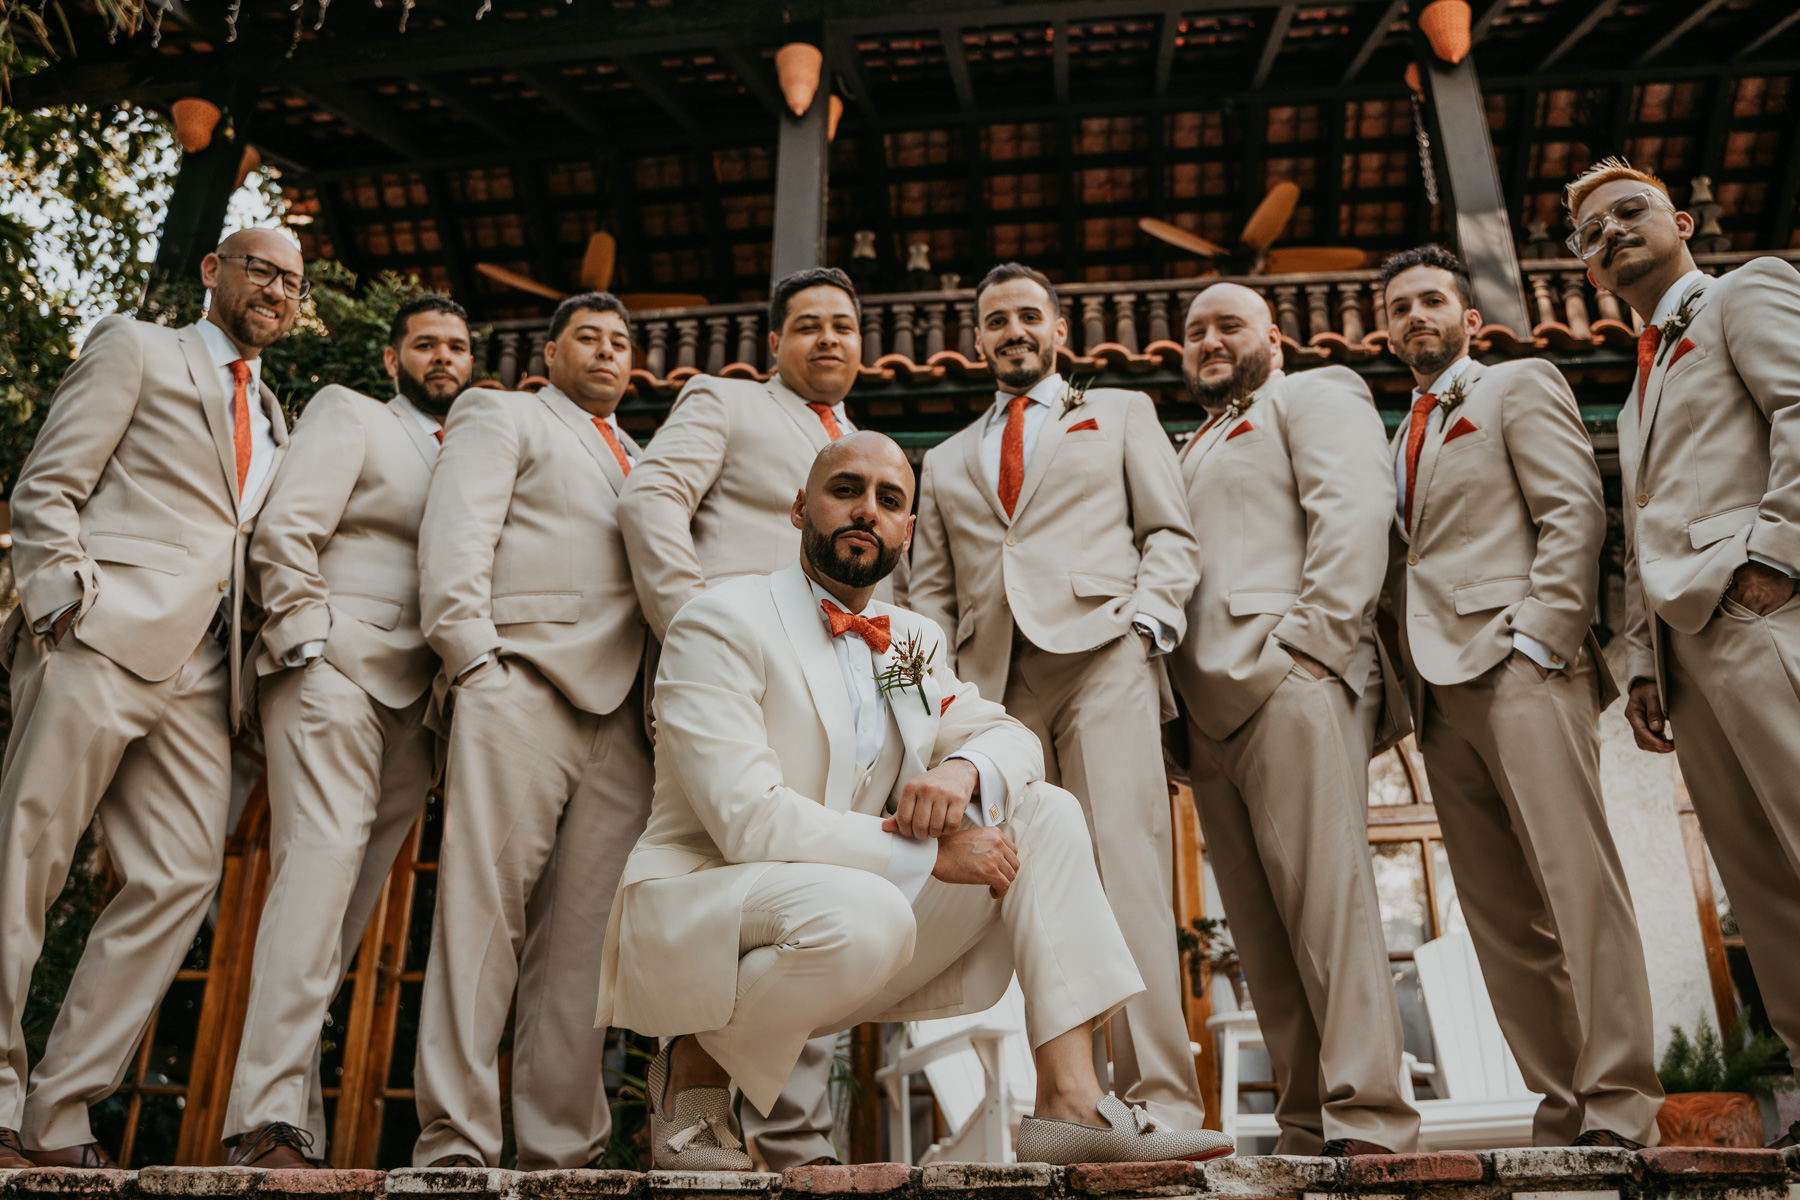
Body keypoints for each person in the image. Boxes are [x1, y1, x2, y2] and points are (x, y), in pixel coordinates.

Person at [595, 432, 1234, 1169]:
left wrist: (961, 768)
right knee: (869, 909)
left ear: (906, 529)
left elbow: (1009, 737)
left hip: (857, 922)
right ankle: (695, 1074)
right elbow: (748, 818)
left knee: (1046, 813)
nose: (867, 510)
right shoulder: (722, 621)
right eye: (846, 491)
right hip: (716, 911)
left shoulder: (903, 645)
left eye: (890, 500)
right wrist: (929, 852)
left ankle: (1072, 1102)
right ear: (800, 506)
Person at [0, 228, 299, 1168]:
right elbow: (48, 486)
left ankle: (57, 1114)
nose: (277, 292)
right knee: (24, 865)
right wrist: (63, 610)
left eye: (292, 283)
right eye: (262, 270)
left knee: (178, 877)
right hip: (101, 635)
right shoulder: (137, 345)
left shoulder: (278, 413)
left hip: (206, 672)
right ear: (215, 271)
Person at [909, 262, 1205, 1129]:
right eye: (995, 319)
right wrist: (934, 700)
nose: (1012, 330)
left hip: (1101, 652)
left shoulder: (1116, 412)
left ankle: (1165, 1101)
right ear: (977, 340)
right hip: (992, 689)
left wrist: (1148, 628)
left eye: (1028, 316)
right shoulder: (947, 457)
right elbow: (928, 589)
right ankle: (1081, 1102)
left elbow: (1168, 534)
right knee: (1040, 881)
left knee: (1126, 867)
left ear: (1057, 331)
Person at [1379, 243, 1662, 1148]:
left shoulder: (1517, 384)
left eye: (1431, 302)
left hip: (1518, 663)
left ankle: (1620, 1100)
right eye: (1399, 308)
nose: (1414, 316)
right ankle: (1564, 1100)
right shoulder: (1396, 437)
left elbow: (1574, 509)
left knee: (1577, 886)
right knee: (1500, 916)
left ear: (1469, 320)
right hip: (1436, 694)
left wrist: (1542, 638)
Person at [616, 267, 878, 1163]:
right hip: (733, 691)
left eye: (843, 325)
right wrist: (693, 625)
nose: (829, 339)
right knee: (723, 896)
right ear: (775, 343)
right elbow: (651, 498)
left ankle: (798, 1141)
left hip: (838, 706)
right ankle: (694, 1113)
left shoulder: (866, 449)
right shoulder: (723, 403)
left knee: (830, 895)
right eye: (808, 325)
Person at [1571, 157, 1800, 1125]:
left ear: (1684, 222)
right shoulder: (1631, 396)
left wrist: (1778, 555)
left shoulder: (1746, 295)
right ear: (1586, 268)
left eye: (1630, 212)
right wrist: (1639, 666)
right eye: (1591, 232)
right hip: (1689, 661)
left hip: (1762, 619)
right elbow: (1639, 536)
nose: (1612, 233)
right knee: (1760, 885)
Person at [223, 296, 475, 1168]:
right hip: (334, 670)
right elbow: (287, 531)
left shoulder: (476, 451)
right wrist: (306, 639)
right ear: (393, 357)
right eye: (426, 345)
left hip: (422, 705)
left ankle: (298, 1122)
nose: (443, 358)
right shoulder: (351, 412)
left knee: (347, 913)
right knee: (317, 873)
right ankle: (263, 1120)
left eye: (457, 346)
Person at [1170, 283, 1419, 1156]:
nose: (1207, 339)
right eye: (1194, 330)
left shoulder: (1315, 392)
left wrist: (1310, 647)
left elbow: (1353, 515)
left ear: (1273, 337)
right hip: (1203, 712)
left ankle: (1371, 1117)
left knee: (1329, 903)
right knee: (1263, 932)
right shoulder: (1187, 443)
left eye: (1227, 324)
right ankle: (1308, 1119)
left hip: (1289, 675)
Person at [411, 292, 651, 1169]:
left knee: (585, 949)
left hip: (625, 718)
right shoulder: (501, 411)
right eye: (587, 337)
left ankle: (563, 1152)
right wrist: (474, 658)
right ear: (549, 354)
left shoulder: (647, 458)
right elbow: (457, 536)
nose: (606, 352)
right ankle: (455, 1142)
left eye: (621, 343)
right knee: (479, 920)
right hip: (518, 679)